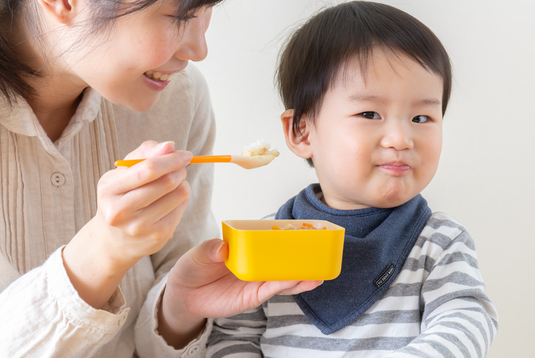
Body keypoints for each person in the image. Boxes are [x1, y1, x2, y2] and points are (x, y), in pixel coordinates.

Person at [0, 0, 321, 357]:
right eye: (181, 15)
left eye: (206, 9)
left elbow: (160, 341)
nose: (199, 50)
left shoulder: (177, 98)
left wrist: (180, 305)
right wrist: (101, 252)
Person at [206, 1, 499, 357]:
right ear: (302, 132)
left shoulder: (438, 242)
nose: (401, 139)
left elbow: (466, 322)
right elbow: (230, 338)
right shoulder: (265, 242)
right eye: (370, 113)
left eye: (421, 118)